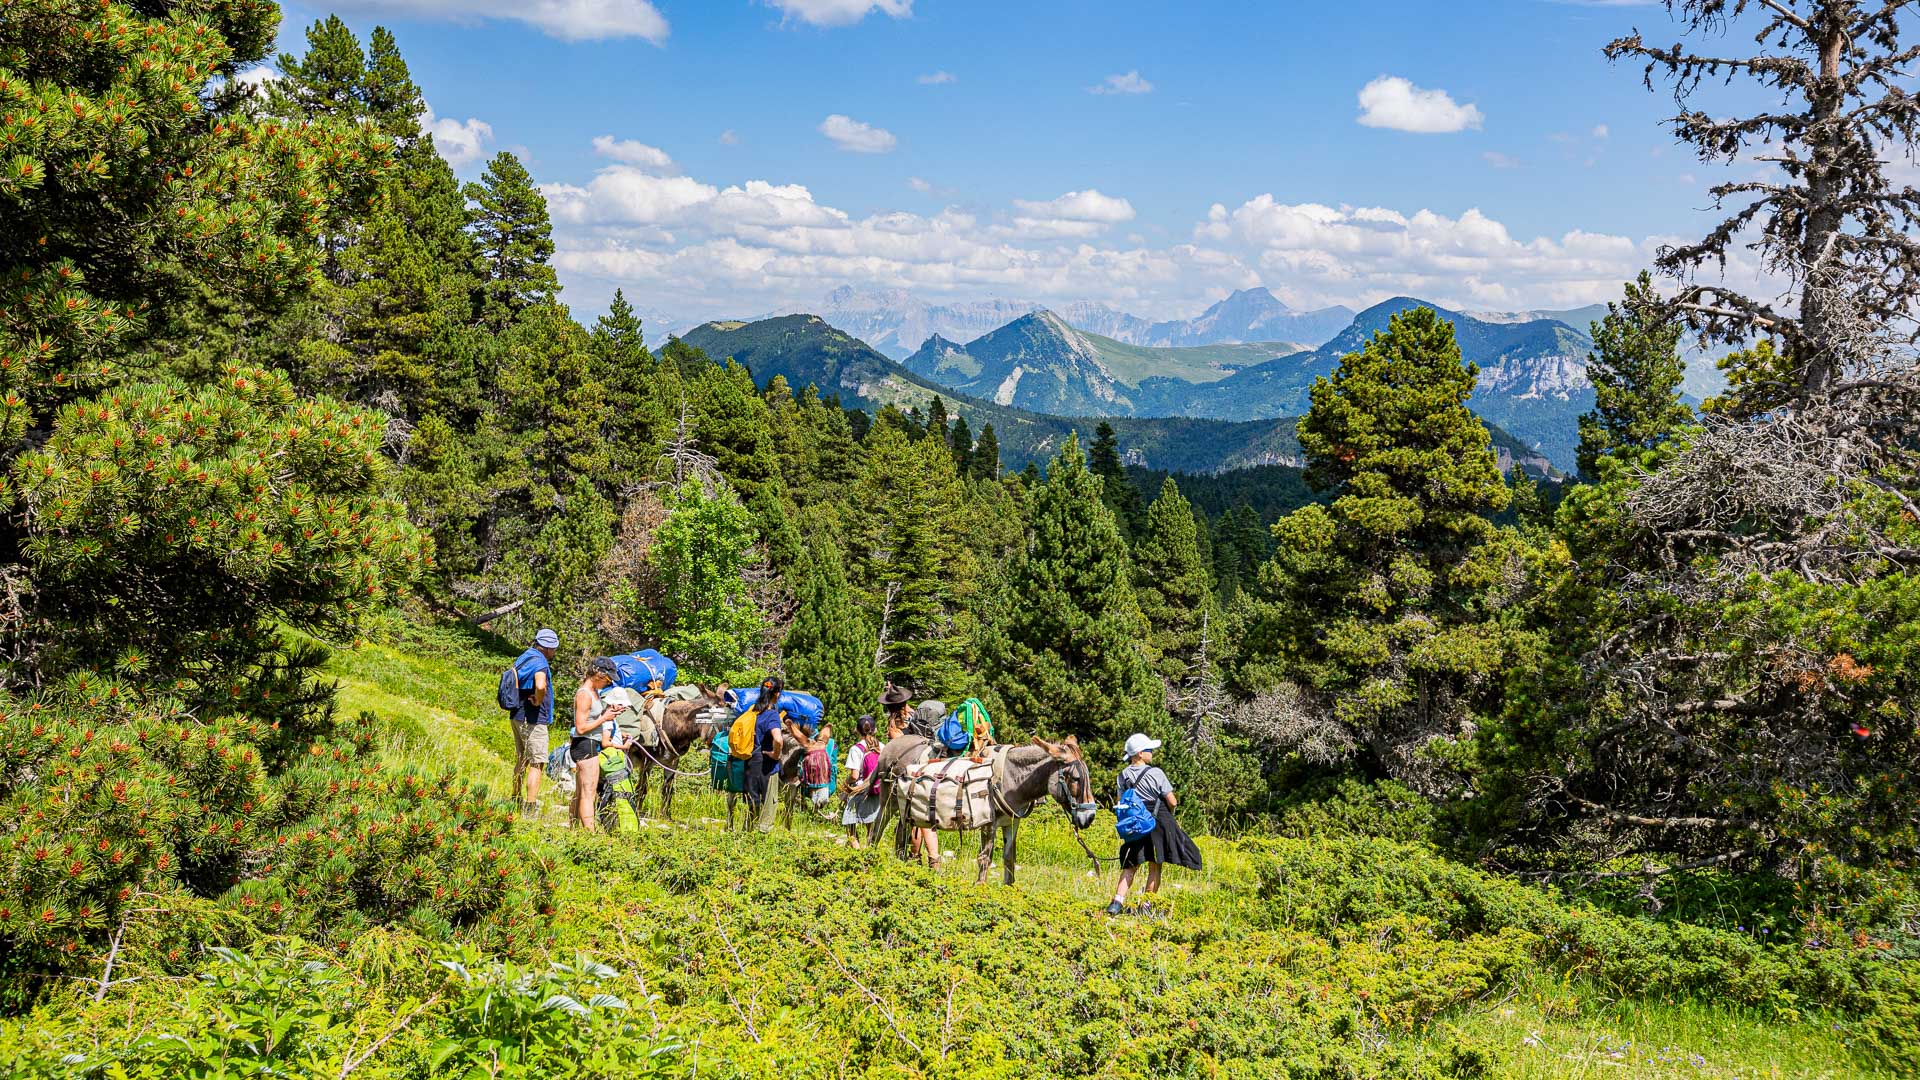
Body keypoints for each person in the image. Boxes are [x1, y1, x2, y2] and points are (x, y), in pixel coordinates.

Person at [1105, 733, 1202, 916]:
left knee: (1130, 865)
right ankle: (1146, 906)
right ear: (1140, 753)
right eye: (1149, 749)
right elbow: (1172, 802)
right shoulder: (1155, 773)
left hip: (1135, 826)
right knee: (1154, 866)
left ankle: (1116, 903)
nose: (1152, 752)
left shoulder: (1122, 776)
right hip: (1156, 824)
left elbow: (1121, 801)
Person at [570, 657, 630, 831]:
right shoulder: (584, 694)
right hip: (584, 744)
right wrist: (604, 718)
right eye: (607, 679)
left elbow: (593, 718)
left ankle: (573, 829)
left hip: (590, 743)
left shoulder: (594, 692)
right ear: (598, 674)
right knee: (589, 793)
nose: (608, 683)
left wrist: (609, 712)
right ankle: (591, 835)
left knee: (581, 792)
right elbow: (580, 728)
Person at [509, 628, 559, 817]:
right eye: (554, 649)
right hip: (533, 719)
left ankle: (515, 798)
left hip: (517, 715)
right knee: (537, 763)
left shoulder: (525, 656)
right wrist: (539, 699)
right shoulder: (540, 662)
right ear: (548, 648)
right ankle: (530, 808)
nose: (554, 653)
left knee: (522, 758)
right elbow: (540, 684)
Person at [748, 676, 788, 834]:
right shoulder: (772, 715)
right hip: (767, 768)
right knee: (768, 808)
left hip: (750, 766)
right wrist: (776, 755)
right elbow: (778, 739)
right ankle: (761, 844)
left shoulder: (753, 711)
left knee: (752, 807)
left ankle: (746, 839)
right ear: (777, 694)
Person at [840, 714, 883, 848]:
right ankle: (870, 853)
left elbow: (854, 775)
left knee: (850, 826)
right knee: (871, 825)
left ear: (857, 730)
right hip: (876, 791)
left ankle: (856, 854)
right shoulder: (883, 747)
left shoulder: (856, 748)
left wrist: (845, 786)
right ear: (875, 730)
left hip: (859, 790)